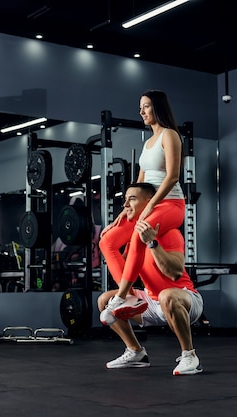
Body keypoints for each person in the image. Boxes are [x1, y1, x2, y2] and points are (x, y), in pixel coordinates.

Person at [98, 182, 204, 376]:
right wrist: (109, 246)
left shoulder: (171, 233)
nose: (125, 205)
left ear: (149, 204)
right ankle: (136, 352)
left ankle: (190, 356)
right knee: (105, 300)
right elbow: (124, 269)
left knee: (166, 295)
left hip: (185, 300)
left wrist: (152, 243)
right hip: (151, 302)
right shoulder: (133, 239)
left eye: (132, 199)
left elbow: (175, 273)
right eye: (125, 199)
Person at [99, 90, 186, 323]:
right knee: (107, 240)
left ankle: (118, 296)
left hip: (171, 203)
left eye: (146, 106)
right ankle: (129, 296)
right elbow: (139, 184)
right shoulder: (148, 143)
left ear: (157, 108)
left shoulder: (170, 136)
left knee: (139, 236)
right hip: (148, 203)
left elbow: (173, 177)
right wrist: (125, 211)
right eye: (141, 107)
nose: (141, 111)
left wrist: (149, 207)